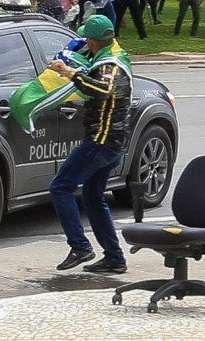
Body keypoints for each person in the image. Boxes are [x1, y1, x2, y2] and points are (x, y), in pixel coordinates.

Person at [47, 15, 131, 274]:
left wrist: (69, 72)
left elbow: (103, 89)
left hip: (101, 141)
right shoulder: (113, 54)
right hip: (112, 142)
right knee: (94, 197)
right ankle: (115, 258)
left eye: (87, 39)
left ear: (94, 41)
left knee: (60, 187)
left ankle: (80, 246)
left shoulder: (110, 66)